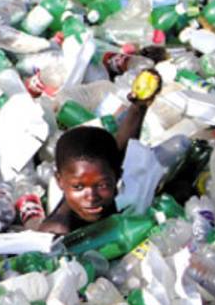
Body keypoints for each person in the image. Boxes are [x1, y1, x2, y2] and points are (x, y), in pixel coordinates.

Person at [36, 70, 158, 236]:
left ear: (117, 175)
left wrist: (139, 106)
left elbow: (121, 149)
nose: (91, 197)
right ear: (60, 181)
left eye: (102, 185)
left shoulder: (96, 180)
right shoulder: (59, 231)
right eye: (78, 187)